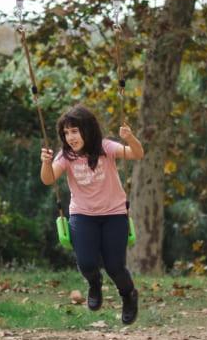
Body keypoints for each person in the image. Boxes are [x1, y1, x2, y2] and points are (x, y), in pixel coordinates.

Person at [40, 105, 144, 324]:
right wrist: (45, 163)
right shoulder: (66, 156)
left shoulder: (106, 147)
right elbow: (48, 179)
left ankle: (128, 295)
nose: (70, 137)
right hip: (83, 215)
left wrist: (130, 137)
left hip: (114, 214)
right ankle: (94, 284)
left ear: (87, 130)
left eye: (75, 131)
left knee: (115, 267)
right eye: (66, 133)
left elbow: (137, 153)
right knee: (87, 263)